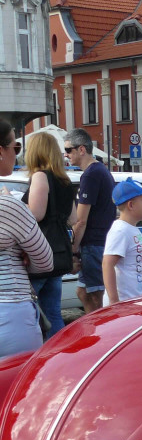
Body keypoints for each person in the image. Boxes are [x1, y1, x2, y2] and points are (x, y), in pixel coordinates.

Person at [1, 117, 54, 358]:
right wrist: (24, 256)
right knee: (18, 390)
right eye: (15, 147)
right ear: (1, 152)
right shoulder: (9, 207)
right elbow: (44, 261)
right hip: (10, 310)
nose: (17, 154)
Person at [23, 135, 76, 339]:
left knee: (31, 311)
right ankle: (59, 355)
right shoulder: (64, 180)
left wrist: (13, 203)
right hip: (59, 253)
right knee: (53, 311)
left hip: (39, 253)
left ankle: (36, 357)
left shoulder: (40, 176)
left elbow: (36, 214)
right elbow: (73, 218)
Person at [66, 128, 116, 313]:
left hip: (93, 244)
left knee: (95, 297)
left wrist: (73, 249)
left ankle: (100, 335)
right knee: (83, 293)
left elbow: (81, 220)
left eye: (69, 150)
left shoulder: (90, 175)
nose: (66, 154)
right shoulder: (100, 170)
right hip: (98, 242)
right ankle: (93, 332)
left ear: (81, 149)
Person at [102, 178, 142, 306]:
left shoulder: (131, 229)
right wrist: (114, 301)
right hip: (125, 304)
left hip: (136, 302)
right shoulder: (120, 230)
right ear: (131, 205)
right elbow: (107, 264)